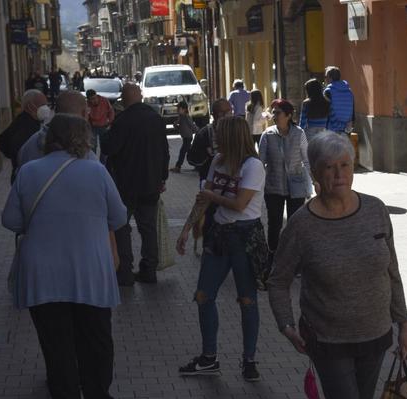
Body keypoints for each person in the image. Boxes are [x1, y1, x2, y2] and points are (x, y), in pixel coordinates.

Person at [267, 131, 407, 399]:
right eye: (328, 168)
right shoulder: (302, 225)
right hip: (328, 339)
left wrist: (403, 321)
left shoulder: (376, 210)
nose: (339, 174)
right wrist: (285, 325)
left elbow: (391, 269)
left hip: (376, 336)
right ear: (314, 174)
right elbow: (278, 280)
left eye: (345, 165)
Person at [2, 114, 127, 399]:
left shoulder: (29, 172)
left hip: (43, 275)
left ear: (48, 138)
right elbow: (119, 216)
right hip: (90, 272)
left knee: (56, 347)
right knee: (96, 343)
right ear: (83, 138)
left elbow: (11, 221)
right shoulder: (96, 172)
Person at [175, 116, 268, 382]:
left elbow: (239, 204)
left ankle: (249, 360)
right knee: (204, 296)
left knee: (247, 300)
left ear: (233, 136)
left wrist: (211, 196)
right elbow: (203, 201)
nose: (215, 138)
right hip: (218, 235)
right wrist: (185, 229)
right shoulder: (218, 161)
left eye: (219, 133)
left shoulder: (253, 166)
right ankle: (208, 358)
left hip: (245, 237)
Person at [101, 83, 170, 286]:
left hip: (126, 184)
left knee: (122, 227)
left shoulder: (123, 120)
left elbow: (109, 147)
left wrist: (107, 129)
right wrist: (162, 177)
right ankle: (149, 270)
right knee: (148, 227)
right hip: (150, 183)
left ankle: (125, 272)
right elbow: (165, 151)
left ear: (124, 99)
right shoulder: (155, 118)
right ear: (139, 96)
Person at [258, 99, 310, 257]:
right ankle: (272, 257)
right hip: (273, 187)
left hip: (296, 187)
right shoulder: (267, 135)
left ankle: (294, 258)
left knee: (295, 224)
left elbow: (307, 160)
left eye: (278, 113)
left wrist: (313, 183)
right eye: (273, 112)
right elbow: (260, 163)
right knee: (274, 224)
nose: (274, 115)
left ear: (288, 115)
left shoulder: (299, 133)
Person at [17, 90, 98, 167]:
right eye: (88, 111)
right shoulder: (89, 158)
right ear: (84, 114)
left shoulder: (29, 145)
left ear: (56, 112)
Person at [0, 89, 50, 184]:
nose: (46, 108)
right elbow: (4, 141)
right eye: (42, 105)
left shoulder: (27, 120)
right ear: (30, 106)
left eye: (46, 105)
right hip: (27, 179)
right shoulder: (26, 126)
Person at [187, 99, 233, 185]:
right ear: (214, 115)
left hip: (233, 182)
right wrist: (207, 154)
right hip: (210, 182)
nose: (226, 115)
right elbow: (192, 159)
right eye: (222, 113)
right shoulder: (204, 133)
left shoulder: (238, 131)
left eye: (229, 111)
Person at [171, 101, 200, 173]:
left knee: (182, 152)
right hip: (185, 137)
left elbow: (192, 125)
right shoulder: (180, 117)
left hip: (188, 137)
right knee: (190, 152)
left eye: (179, 108)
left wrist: (199, 131)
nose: (177, 110)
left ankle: (178, 167)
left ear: (184, 109)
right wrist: (175, 125)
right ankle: (198, 165)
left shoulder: (186, 117)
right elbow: (180, 128)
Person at [323, 66, 354, 134]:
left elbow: (326, 111)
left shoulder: (328, 91)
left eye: (325, 77)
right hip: (346, 129)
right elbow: (352, 111)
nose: (325, 79)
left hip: (331, 129)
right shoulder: (349, 91)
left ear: (330, 78)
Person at [86, 89, 115, 153]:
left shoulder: (104, 100)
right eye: (92, 99)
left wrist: (110, 121)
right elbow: (86, 117)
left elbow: (111, 111)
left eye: (95, 98)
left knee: (104, 146)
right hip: (92, 127)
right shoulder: (87, 104)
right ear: (89, 100)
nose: (95, 100)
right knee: (93, 146)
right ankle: (94, 161)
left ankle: (103, 162)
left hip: (104, 126)